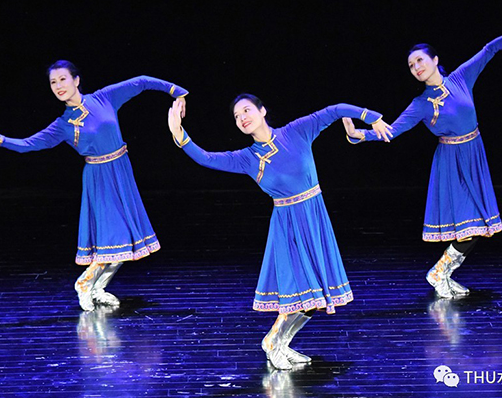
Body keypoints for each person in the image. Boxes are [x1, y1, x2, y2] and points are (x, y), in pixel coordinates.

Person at [167, 95, 391, 369]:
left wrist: (372, 117)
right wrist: (179, 134)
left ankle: (282, 343)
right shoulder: (247, 158)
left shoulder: (297, 131)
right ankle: (272, 341)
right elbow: (206, 158)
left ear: (262, 111)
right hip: (288, 227)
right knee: (301, 292)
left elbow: (335, 110)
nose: (242, 118)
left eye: (246, 110)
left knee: (315, 298)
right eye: (237, 116)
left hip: (315, 218)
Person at [0, 60, 188, 311]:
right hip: (99, 178)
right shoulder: (63, 125)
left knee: (125, 237)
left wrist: (177, 92)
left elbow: (140, 82)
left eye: (63, 79)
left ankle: (98, 288)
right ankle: (84, 283)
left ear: (76, 80)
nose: (58, 86)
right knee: (115, 235)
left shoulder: (104, 98)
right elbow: (28, 144)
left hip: (121, 170)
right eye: (53, 82)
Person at [343, 29, 502, 298]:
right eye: (411, 65)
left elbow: (488, 50)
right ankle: (439, 272)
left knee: (479, 227)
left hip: (474, 154)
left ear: (435, 60)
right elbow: (392, 131)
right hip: (451, 163)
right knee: (470, 227)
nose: (416, 67)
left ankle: (442, 273)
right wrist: (359, 134)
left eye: (420, 60)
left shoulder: (460, 78)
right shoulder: (420, 104)